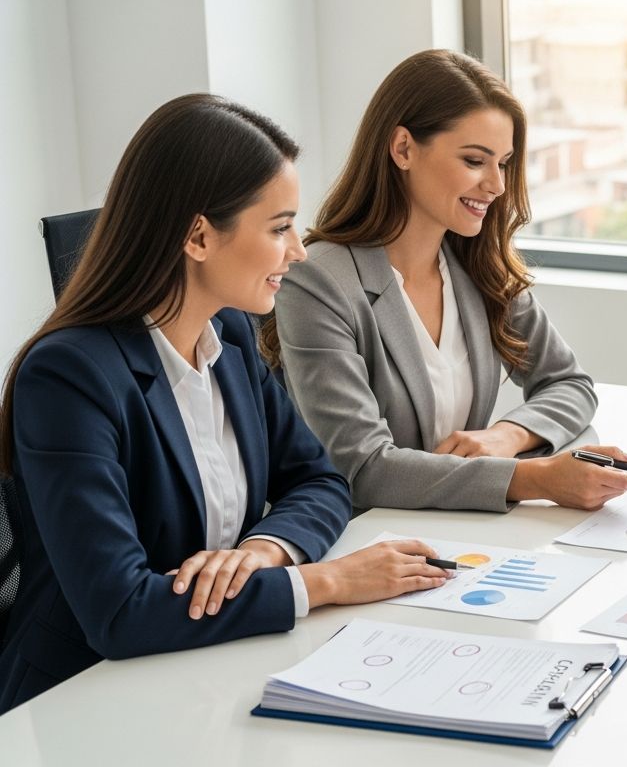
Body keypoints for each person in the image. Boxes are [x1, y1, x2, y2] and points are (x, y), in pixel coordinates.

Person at [0, 95, 450, 713]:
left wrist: (263, 552)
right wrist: (324, 581)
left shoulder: (231, 336)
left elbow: (319, 480)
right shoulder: (68, 378)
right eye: (278, 227)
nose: (297, 251)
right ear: (198, 236)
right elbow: (119, 611)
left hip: (208, 670)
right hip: (83, 698)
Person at [266, 50, 627, 513]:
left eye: (503, 163)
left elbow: (568, 382)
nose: (497, 185)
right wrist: (532, 478)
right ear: (403, 148)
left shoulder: (480, 269)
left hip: (461, 534)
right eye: (474, 160)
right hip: (362, 541)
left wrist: (509, 435)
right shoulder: (318, 283)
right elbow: (362, 469)